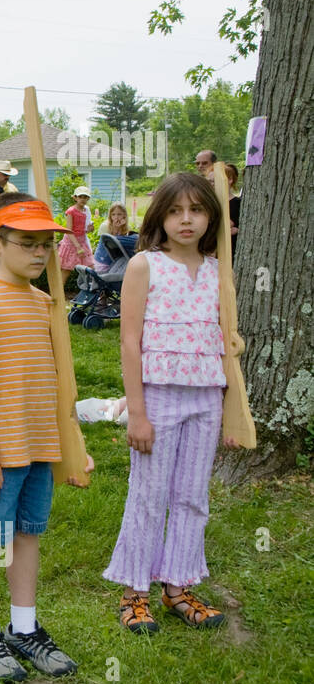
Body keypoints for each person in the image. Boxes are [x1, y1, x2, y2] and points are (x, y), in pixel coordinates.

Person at [0, 192, 91, 681]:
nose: (38, 253)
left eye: (46, 244)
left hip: (39, 446)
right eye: (27, 243)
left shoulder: (46, 302)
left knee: (28, 535)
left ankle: (24, 628)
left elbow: (59, 381)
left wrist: (76, 447)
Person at [104, 172, 237, 634]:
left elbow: (227, 342)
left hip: (206, 396)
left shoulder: (220, 269)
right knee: (149, 493)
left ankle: (177, 586)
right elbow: (129, 341)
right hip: (158, 397)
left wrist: (232, 412)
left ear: (210, 218)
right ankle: (134, 592)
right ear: (161, 215)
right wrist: (137, 413)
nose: (186, 220)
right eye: (176, 210)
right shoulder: (145, 265)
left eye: (196, 210)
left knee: (192, 497)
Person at [57, 185, 96, 272]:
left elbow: (86, 230)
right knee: (66, 270)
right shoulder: (71, 211)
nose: (83, 199)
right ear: (75, 198)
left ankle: (91, 285)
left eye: (85, 197)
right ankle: (59, 286)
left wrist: (90, 228)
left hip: (82, 242)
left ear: (88, 199)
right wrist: (77, 246)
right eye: (80, 197)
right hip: (71, 243)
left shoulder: (86, 210)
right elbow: (69, 231)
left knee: (90, 267)